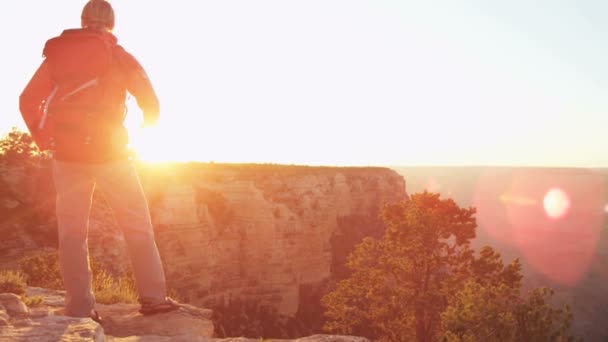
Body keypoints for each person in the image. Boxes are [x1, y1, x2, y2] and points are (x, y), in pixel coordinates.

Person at [19, 0, 178, 322]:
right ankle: (153, 298)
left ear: (82, 21)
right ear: (112, 24)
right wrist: (142, 134)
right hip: (111, 155)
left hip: (66, 156)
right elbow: (151, 102)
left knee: (73, 234)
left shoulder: (57, 56)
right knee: (137, 227)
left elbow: (27, 99)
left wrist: (43, 139)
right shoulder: (118, 56)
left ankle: (79, 308)